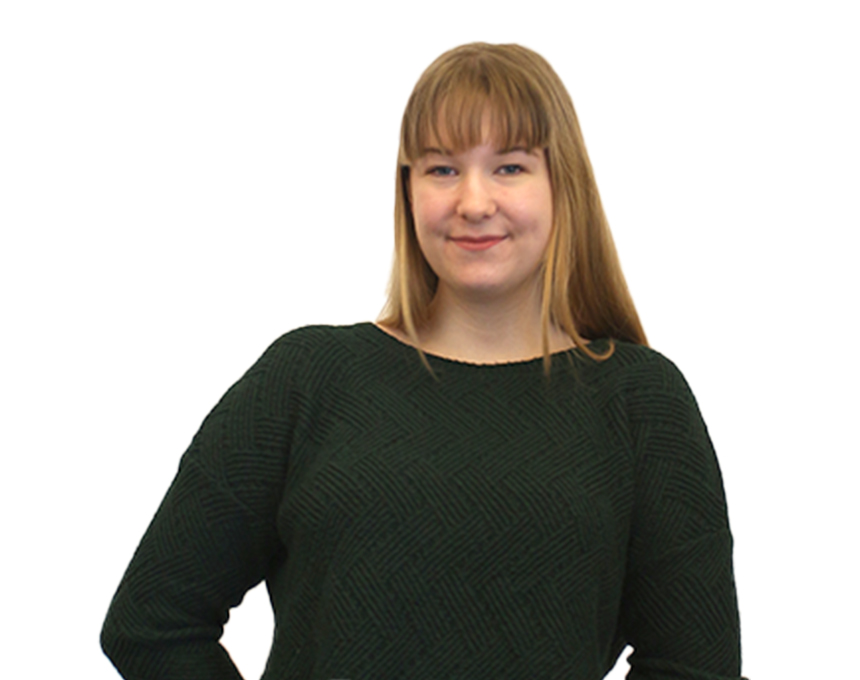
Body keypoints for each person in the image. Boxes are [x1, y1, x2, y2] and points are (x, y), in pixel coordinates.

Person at [101, 42, 745, 679]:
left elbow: (697, 668)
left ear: (562, 184)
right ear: (407, 190)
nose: (474, 202)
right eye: (441, 169)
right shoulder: (309, 379)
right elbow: (152, 624)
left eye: (510, 167)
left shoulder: (638, 403)